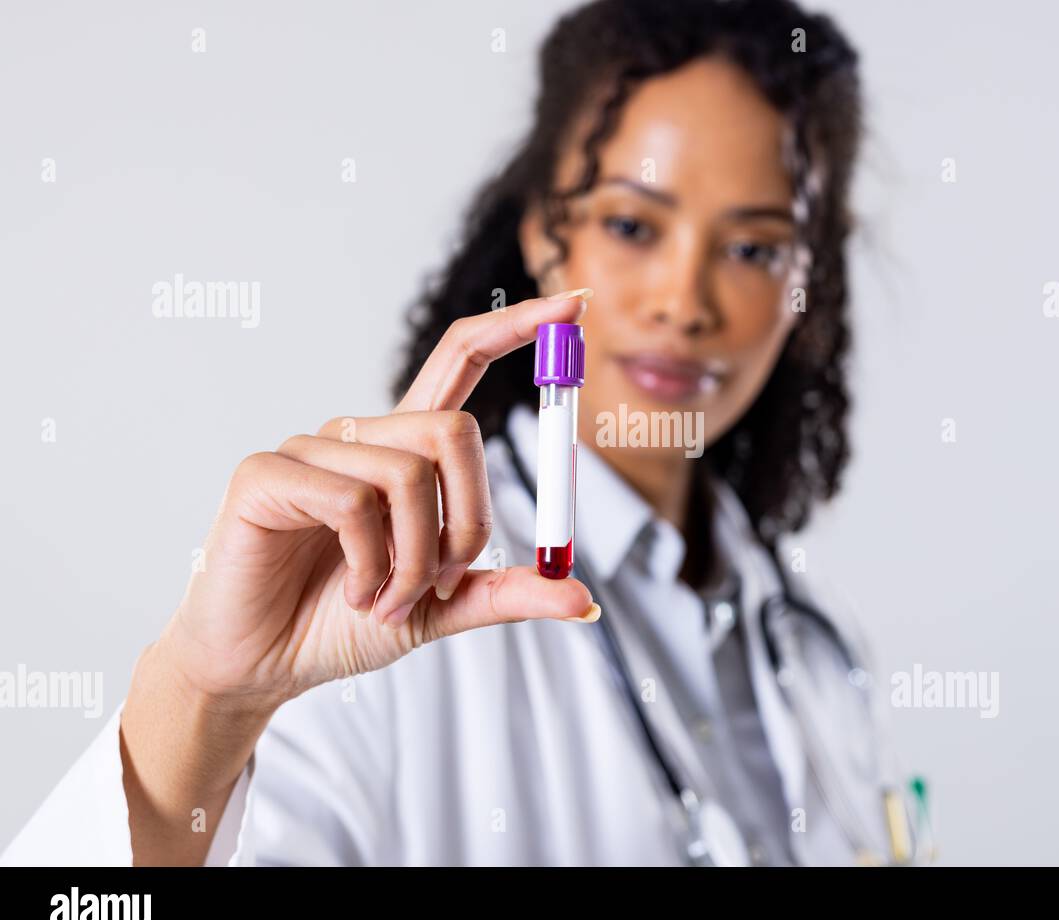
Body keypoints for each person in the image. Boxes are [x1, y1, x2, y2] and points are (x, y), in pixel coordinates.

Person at [3, 0, 909, 866]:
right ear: (545, 240)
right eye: (632, 224)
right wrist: (206, 699)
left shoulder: (808, 635)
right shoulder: (385, 595)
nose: (685, 301)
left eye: (754, 249)